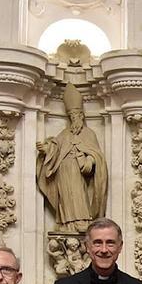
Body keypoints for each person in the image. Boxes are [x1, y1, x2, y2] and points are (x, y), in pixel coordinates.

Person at [36, 82, 107, 232]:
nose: (73, 118)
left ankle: (82, 221)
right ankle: (66, 223)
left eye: (76, 115)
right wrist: (46, 150)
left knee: (78, 194)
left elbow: (97, 155)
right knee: (66, 197)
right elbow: (55, 147)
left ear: (82, 115)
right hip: (63, 171)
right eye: (71, 116)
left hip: (76, 171)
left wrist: (89, 160)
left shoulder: (89, 133)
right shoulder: (65, 134)